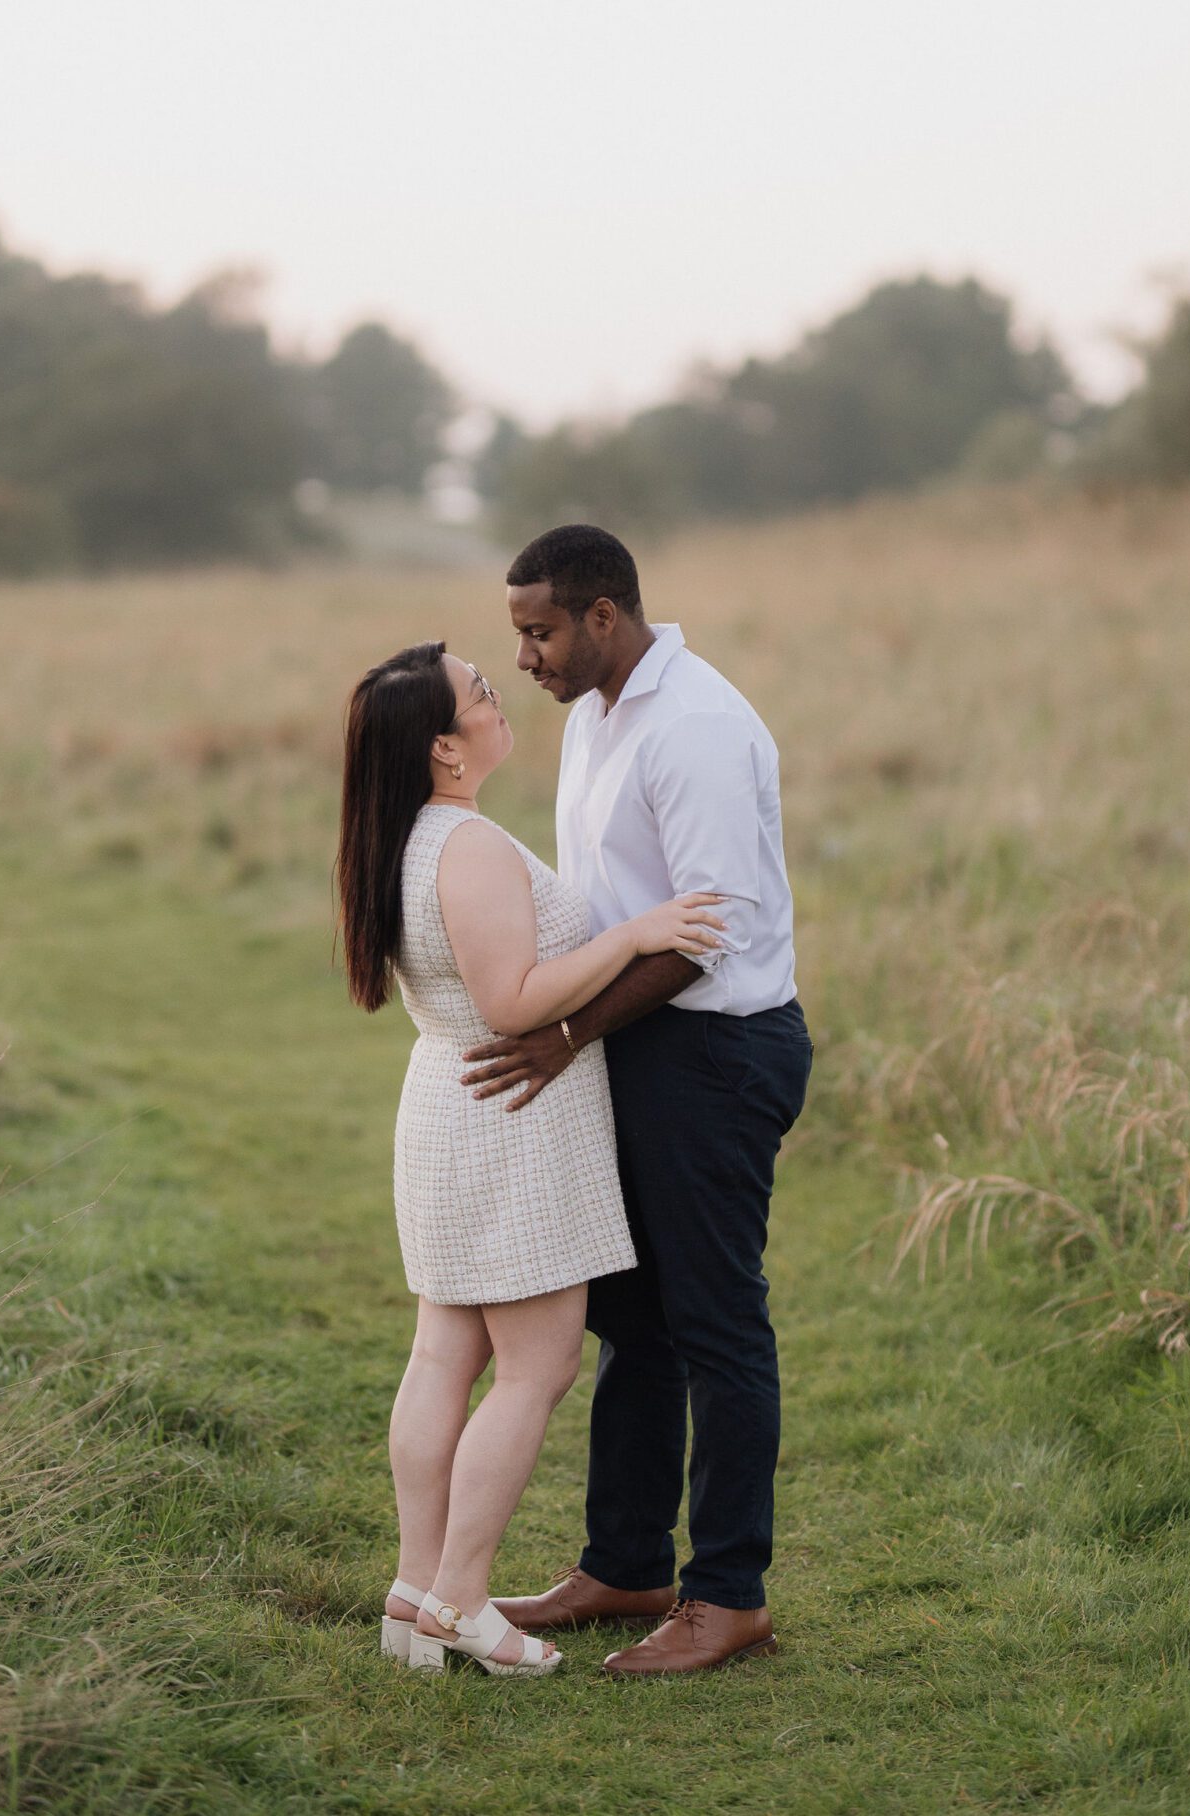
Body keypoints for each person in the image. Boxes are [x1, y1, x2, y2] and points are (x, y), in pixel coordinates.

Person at [335, 638, 725, 1677]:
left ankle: (416, 1595)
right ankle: (462, 1599)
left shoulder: (406, 839)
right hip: (507, 1114)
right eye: (480, 694)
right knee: (536, 1363)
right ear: (443, 751)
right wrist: (636, 934)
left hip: (452, 1105)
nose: (499, 696)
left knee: (443, 1356)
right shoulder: (463, 849)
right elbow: (511, 1001)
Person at [464, 525, 811, 1678]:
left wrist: (564, 1034)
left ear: (602, 616)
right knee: (634, 1321)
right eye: (518, 633)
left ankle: (730, 1597)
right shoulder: (597, 713)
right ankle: (624, 1566)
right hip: (639, 1045)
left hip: (715, 1052)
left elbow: (709, 934)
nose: (525, 657)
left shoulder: (697, 727)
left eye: (539, 631)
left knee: (715, 1324)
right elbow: (611, 901)